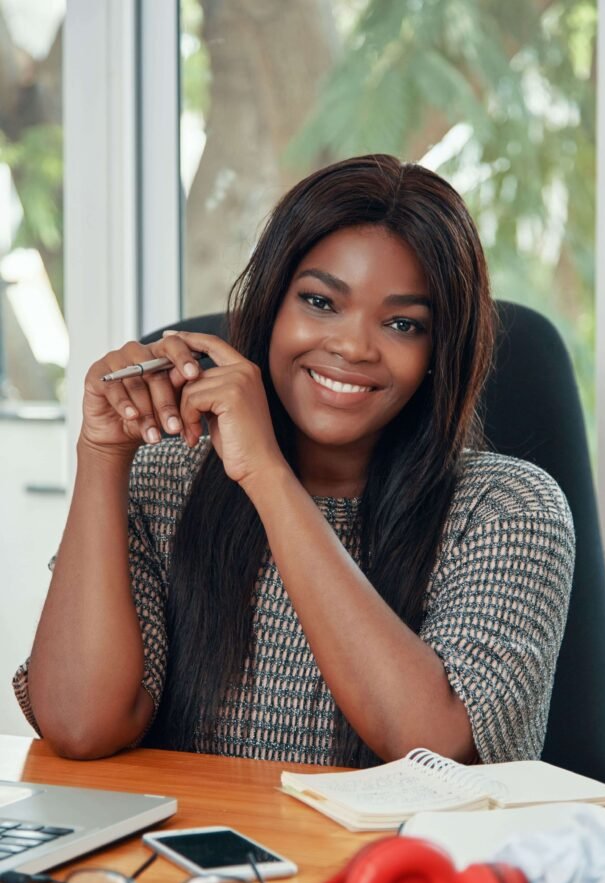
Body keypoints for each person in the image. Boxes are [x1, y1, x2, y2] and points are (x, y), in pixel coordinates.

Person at [13, 154, 575, 767]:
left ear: (441, 350)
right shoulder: (165, 478)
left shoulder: (507, 510)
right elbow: (78, 726)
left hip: (395, 863)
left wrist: (267, 476)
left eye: (402, 324)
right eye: (321, 302)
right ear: (271, 305)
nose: (354, 346)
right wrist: (103, 455)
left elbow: (438, 748)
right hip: (192, 860)